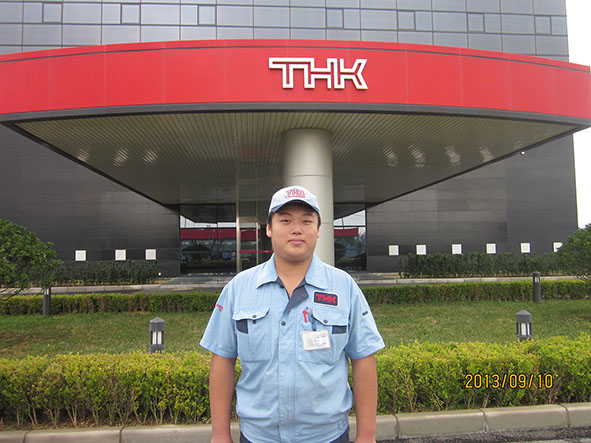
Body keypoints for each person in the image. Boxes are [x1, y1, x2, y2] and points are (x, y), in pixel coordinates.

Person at [200, 185, 385, 443]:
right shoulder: (239, 288)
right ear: (268, 228)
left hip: (327, 436)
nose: (296, 229)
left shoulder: (344, 287)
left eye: (306, 221)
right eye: (285, 220)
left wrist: (367, 435)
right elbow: (222, 358)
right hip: (258, 437)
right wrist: (220, 434)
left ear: (318, 230)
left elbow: (363, 358)